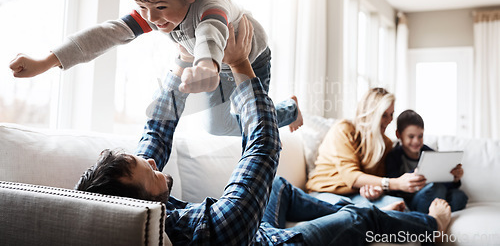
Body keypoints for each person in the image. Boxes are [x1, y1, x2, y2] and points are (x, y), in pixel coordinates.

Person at [76, 23, 451, 245]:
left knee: (280, 189)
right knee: (358, 221)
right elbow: (262, 148)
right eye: (148, 171)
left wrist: (181, 65)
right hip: (271, 243)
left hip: (258, 227)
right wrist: (240, 65)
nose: (153, 161)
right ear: (144, 202)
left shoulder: (139, 205)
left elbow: (155, 132)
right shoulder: (211, 228)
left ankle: (372, 208)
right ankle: (432, 227)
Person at [8, 0, 302, 135]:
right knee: (219, 129)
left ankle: (289, 109)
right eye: (142, 7)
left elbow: (211, 31)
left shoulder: (211, 1)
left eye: (159, 7)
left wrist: (206, 65)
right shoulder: (158, 12)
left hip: (248, 56)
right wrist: (46, 61)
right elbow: (109, 32)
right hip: (208, 65)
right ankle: (286, 108)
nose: (151, 18)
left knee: (253, 126)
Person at [306, 88, 427, 209]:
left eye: (391, 114)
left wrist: (375, 190)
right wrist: (396, 183)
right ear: (370, 114)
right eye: (384, 115)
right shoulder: (344, 130)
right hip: (326, 192)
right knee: (349, 210)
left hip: (357, 195)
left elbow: (379, 179)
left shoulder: (386, 143)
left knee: (400, 205)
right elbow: (352, 176)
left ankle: (372, 213)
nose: (389, 120)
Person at [385, 109, 468, 213]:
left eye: (420, 136)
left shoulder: (429, 153)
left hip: (434, 193)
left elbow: (444, 183)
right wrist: (416, 175)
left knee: (459, 196)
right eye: (411, 136)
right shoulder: (394, 156)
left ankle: (433, 209)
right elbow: (394, 188)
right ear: (399, 135)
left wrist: (454, 178)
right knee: (436, 189)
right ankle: (429, 211)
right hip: (412, 199)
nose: (416, 141)